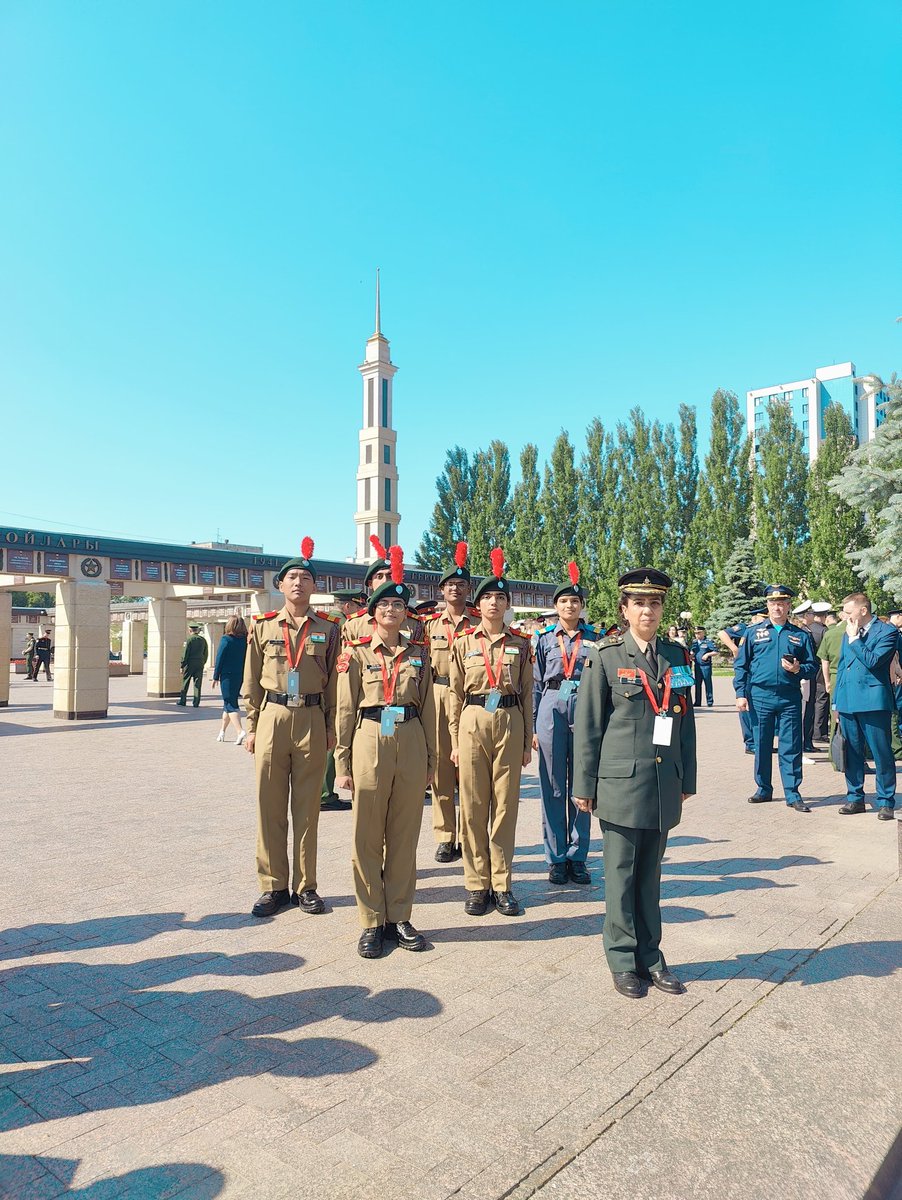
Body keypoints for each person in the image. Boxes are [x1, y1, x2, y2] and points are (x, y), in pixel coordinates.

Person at [573, 567, 697, 999]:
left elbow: (685, 725)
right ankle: (623, 960)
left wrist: (687, 777)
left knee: (650, 877)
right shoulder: (605, 656)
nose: (648, 610)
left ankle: (652, 957)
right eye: (639, 603)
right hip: (620, 784)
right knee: (621, 876)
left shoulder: (677, 658)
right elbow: (588, 726)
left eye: (655, 603)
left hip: (663, 782)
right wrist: (583, 786)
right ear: (624, 610)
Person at [335, 548, 436, 958]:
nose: (392, 609)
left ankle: (399, 914)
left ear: (407, 612)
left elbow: (428, 708)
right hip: (370, 737)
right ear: (373, 611)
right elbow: (344, 710)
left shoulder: (418, 655)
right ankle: (371, 919)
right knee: (367, 834)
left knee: (404, 833)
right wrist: (342, 763)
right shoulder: (356, 653)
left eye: (399, 604)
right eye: (385, 604)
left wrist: (430, 760)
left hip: (410, 738)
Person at [242, 538, 341, 918]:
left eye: (305, 577)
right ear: (280, 586)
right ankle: (272, 886)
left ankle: (306, 886)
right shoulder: (263, 625)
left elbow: (334, 681)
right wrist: (251, 727)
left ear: (314, 587)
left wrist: (332, 727)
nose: (298, 583)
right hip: (273, 717)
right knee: (269, 807)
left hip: (312, 718)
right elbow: (251, 680)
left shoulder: (330, 628)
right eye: (291, 577)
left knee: (307, 808)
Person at [448, 548, 533, 917]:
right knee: (472, 805)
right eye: (487, 597)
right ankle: (476, 884)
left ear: (508, 604)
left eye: (500, 597)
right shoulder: (463, 642)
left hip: (510, 722)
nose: (493, 603)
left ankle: (502, 883)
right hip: (473, 721)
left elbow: (528, 692)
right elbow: (453, 692)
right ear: (477, 605)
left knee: (505, 806)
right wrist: (453, 740)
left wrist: (528, 737)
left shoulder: (520, 644)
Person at [532, 562, 597, 885]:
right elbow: (534, 684)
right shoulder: (544, 640)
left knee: (583, 783)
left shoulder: (596, 639)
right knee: (554, 785)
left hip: (585, 709)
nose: (570, 606)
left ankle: (579, 856)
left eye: (575, 601)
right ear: (555, 607)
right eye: (564, 602)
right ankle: (556, 857)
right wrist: (533, 726)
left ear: (582, 606)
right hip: (551, 706)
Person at [733, 585, 818, 813]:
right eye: (773, 603)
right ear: (767, 606)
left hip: (789, 696)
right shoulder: (753, 633)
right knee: (761, 744)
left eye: (781, 603)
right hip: (760, 695)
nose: (777, 607)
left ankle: (792, 793)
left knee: (791, 746)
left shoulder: (801, 635)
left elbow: (813, 666)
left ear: (788, 606)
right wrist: (741, 694)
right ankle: (763, 789)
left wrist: (799, 668)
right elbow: (741, 665)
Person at [423, 542, 478, 863]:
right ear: (442, 590)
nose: (456, 589)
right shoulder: (429, 625)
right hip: (439, 697)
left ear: (469, 589)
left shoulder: (478, 622)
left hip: (471, 700)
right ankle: (446, 835)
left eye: (461, 584)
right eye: (450, 585)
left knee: (470, 770)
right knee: (442, 768)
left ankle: (470, 834)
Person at [832, 593, 897, 820]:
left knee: (881, 753)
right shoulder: (849, 632)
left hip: (873, 702)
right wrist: (836, 701)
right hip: (848, 701)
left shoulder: (887, 632)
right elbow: (842, 667)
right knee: (851, 753)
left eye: (848, 612)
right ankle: (855, 798)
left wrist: (855, 639)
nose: (845, 616)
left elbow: (873, 661)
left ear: (863, 610)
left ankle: (886, 800)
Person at [320, 588, 367, 812]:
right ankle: (325, 793)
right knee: (335, 739)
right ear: (348, 606)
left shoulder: (328, 622)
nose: (360, 611)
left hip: (330, 688)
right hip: (341, 689)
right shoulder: (341, 625)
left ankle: (324, 791)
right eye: (358, 606)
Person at [342, 534, 424, 647]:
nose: (385, 580)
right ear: (370, 584)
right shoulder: (354, 624)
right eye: (379, 576)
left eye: (390, 576)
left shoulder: (414, 624)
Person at [718, 606, 766, 754]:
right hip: (745, 673)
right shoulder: (745, 628)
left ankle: (759, 741)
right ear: (755, 618)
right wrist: (734, 648)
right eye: (762, 618)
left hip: (758, 674)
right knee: (745, 707)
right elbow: (722, 633)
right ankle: (750, 743)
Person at [793, 600, 828, 752]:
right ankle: (804, 743)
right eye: (811, 613)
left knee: (810, 708)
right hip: (805, 675)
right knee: (806, 709)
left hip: (810, 673)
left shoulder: (807, 631)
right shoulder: (805, 632)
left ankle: (807, 741)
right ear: (806, 615)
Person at [212, 615, 249, 744]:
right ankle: (222, 731)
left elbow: (220, 658)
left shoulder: (226, 639)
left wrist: (215, 676)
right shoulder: (245, 640)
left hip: (227, 675)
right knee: (227, 703)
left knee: (230, 704)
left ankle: (240, 731)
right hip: (239, 675)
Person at [809, 601, 834, 742]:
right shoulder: (824, 631)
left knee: (811, 701)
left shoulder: (807, 628)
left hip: (810, 668)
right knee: (822, 700)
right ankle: (820, 732)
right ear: (825, 615)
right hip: (821, 668)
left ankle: (813, 730)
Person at [177, 625, 208, 708]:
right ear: (197, 630)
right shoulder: (203, 640)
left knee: (185, 682)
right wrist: (202, 662)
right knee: (197, 683)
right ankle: (196, 702)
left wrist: (182, 665)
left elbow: (185, 654)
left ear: (190, 630)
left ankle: (183, 700)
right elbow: (206, 653)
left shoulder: (189, 640)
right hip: (200, 663)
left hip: (190, 663)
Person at [690, 627, 717, 708]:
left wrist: (707, 654)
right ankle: (697, 702)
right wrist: (691, 655)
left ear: (703, 633)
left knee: (707, 683)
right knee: (697, 684)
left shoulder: (708, 641)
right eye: (695, 633)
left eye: (699, 632)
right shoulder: (694, 643)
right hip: (697, 665)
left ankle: (710, 701)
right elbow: (692, 651)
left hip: (706, 666)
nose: (697, 634)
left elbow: (715, 651)